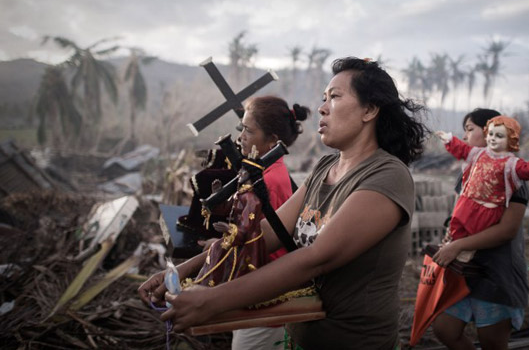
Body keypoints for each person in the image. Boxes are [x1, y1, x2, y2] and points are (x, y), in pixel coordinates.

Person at [138, 57, 430, 349]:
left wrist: (214, 300)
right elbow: (268, 233)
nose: (322, 107)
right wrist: (185, 269)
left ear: (369, 109)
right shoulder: (323, 168)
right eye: (323, 98)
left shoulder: (388, 175)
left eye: (335, 97)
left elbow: (317, 257)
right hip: (300, 336)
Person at [196, 96, 310, 350]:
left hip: (267, 294)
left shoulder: (270, 181)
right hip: (254, 288)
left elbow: (261, 240)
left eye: (248, 130)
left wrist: (225, 241)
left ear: (273, 141)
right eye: (241, 130)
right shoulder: (264, 173)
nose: (241, 138)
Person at [425, 109, 529, 350]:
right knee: (444, 329)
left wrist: (458, 246)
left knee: (493, 342)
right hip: (462, 269)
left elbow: (506, 230)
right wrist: (449, 239)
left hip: (496, 273)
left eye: (470, 129)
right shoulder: (468, 173)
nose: (464, 137)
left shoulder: (512, 174)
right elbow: (457, 217)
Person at [436, 115, 529, 260]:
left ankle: (464, 251)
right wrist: (449, 140)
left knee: (476, 230)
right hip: (467, 202)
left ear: (510, 139)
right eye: (490, 134)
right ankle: (454, 248)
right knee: (458, 225)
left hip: (488, 207)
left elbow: (526, 169)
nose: (492, 138)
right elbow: (462, 149)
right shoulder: (477, 154)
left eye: (499, 136)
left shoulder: (511, 164)